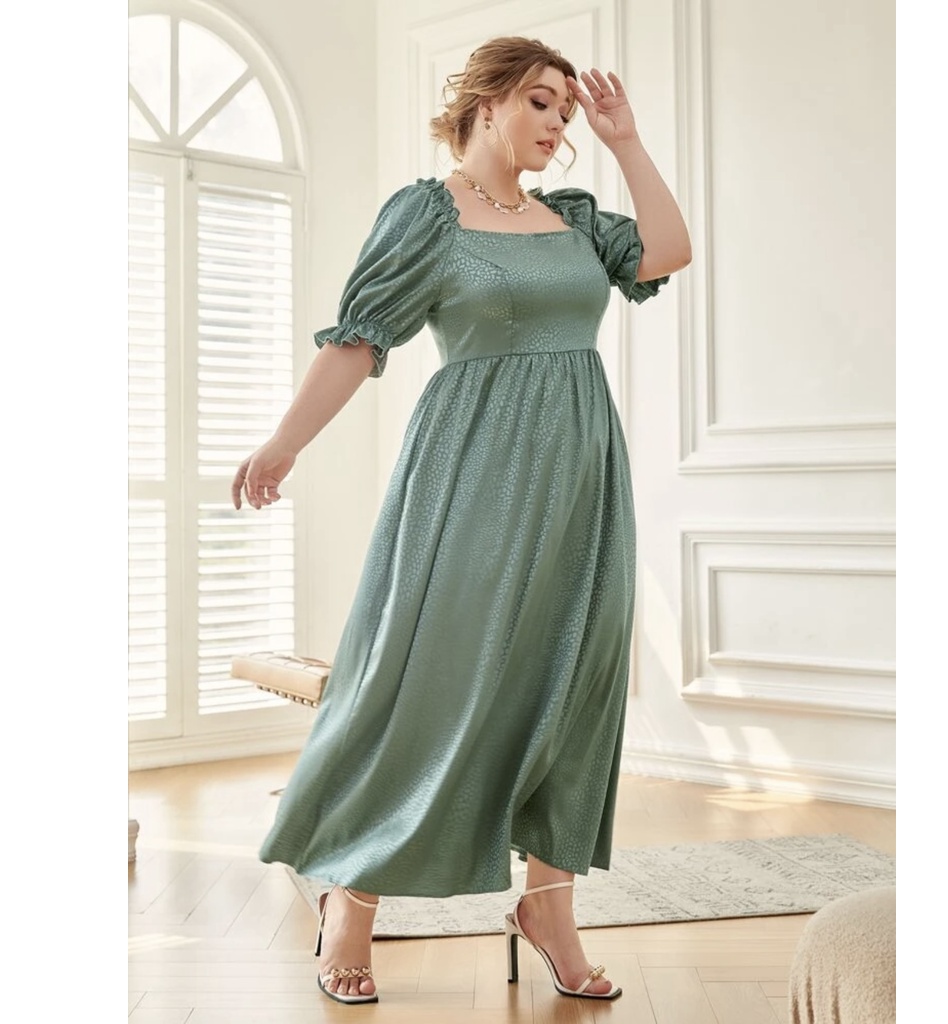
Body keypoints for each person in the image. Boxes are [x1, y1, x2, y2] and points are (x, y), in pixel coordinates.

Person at [231, 36, 691, 1007]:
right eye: (540, 102)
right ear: (486, 104)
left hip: (582, 477)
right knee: (432, 685)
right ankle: (351, 898)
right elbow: (358, 342)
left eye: (566, 109)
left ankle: (549, 906)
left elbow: (668, 251)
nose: (558, 123)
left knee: (573, 686)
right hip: (472, 475)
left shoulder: (573, 218)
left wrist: (626, 142)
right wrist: (283, 444)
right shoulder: (426, 215)